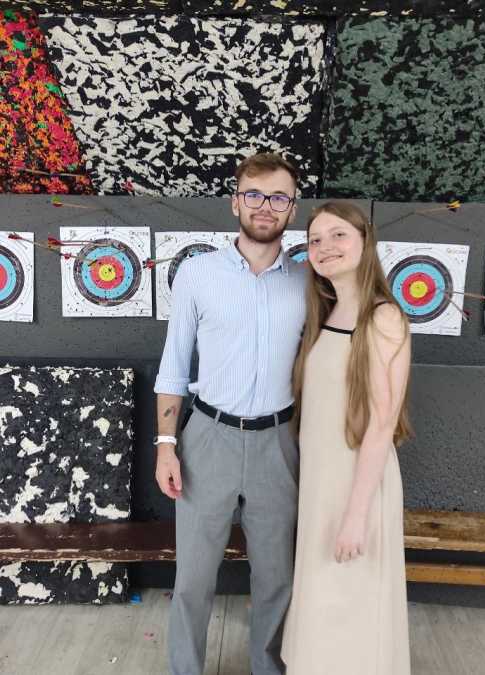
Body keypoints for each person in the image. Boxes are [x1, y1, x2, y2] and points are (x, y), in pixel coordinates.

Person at [154, 152, 307, 675]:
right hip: (208, 438)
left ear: (293, 208)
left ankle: (268, 666)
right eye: (255, 194)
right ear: (235, 202)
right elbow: (174, 364)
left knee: (277, 577)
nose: (266, 206)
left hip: (279, 442)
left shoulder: (309, 282)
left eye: (279, 197)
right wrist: (166, 446)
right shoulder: (197, 274)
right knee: (194, 578)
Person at [281, 200, 412, 675]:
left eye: (338, 235)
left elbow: (381, 424)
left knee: (352, 607)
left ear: (365, 241)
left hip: (358, 488)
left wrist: (356, 515)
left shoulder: (384, 317)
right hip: (321, 486)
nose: (325, 247)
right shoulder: (329, 314)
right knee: (322, 604)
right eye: (315, 239)